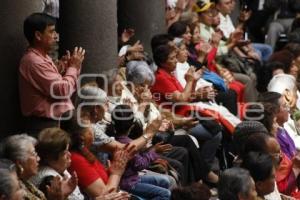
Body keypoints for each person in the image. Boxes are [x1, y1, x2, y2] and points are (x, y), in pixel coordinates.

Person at [19, 13, 85, 136]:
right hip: (45, 125)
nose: (56, 36)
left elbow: (64, 87)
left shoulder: (43, 57)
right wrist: (73, 67)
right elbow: (62, 90)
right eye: (51, 32)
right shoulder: (34, 61)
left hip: (55, 122)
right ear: (38, 35)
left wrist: (66, 70)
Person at [112, 105, 171, 200]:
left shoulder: (115, 139)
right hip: (128, 183)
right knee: (165, 194)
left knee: (165, 181)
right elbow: (140, 164)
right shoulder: (126, 143)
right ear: (131, 126)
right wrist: (154, 151)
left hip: (133, 177)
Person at [63, 119, 131, 199]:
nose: (93, 134)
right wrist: (116, 174)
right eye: (90, 130)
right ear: (82, 137)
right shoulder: (75, 159)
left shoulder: (84, 152)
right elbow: (105, 195)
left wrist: (110, 171)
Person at [1, 134, 74, 200]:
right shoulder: (14, 191)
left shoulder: (27, 184)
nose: (38, 158)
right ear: (20, 162)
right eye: (34, 154)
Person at [30, 127, 84, 200]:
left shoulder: (58, 168)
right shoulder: (49, 181)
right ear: (51, 159)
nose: (69, 155)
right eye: (65, 153)